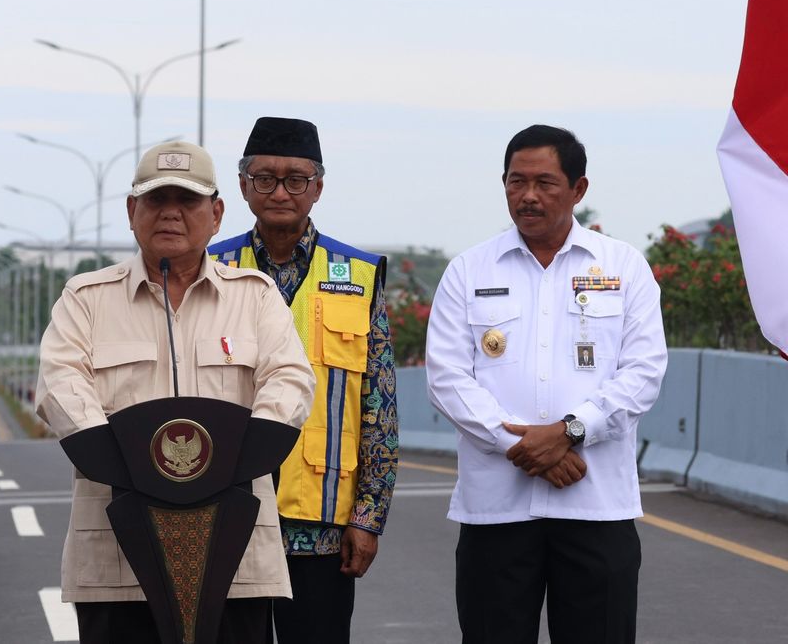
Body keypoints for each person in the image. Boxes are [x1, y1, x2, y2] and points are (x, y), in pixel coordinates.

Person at [36, 140, 315, 644]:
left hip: (236, 555)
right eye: (155, 200)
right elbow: (60, 388)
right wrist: (139, 469)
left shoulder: (255, 297)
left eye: (186, 202)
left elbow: (291, 381)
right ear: (131, 212)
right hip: (116, 558)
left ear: (215, 213)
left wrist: (230, 461)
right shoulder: (86, 299)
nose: (170, 214)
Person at [425, 124, 668, 644]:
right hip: (496, 510)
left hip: (596, 506)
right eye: (516, 182)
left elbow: (643, 372)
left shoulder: (623, 266)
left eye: (545, 182)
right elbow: (446, 378)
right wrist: (526, 445)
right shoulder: (468, 270)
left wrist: (571, 431)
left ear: (579, 189)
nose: (528, 196)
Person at [209, 117, 398, 644]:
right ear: (243, 186)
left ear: (318, 186)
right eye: (265, 178)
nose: (280, 191)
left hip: (322, 525)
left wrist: (369, 516)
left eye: (296, 179)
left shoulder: (358, 276)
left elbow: (379, 407)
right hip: (225, 516)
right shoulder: (209, 268)